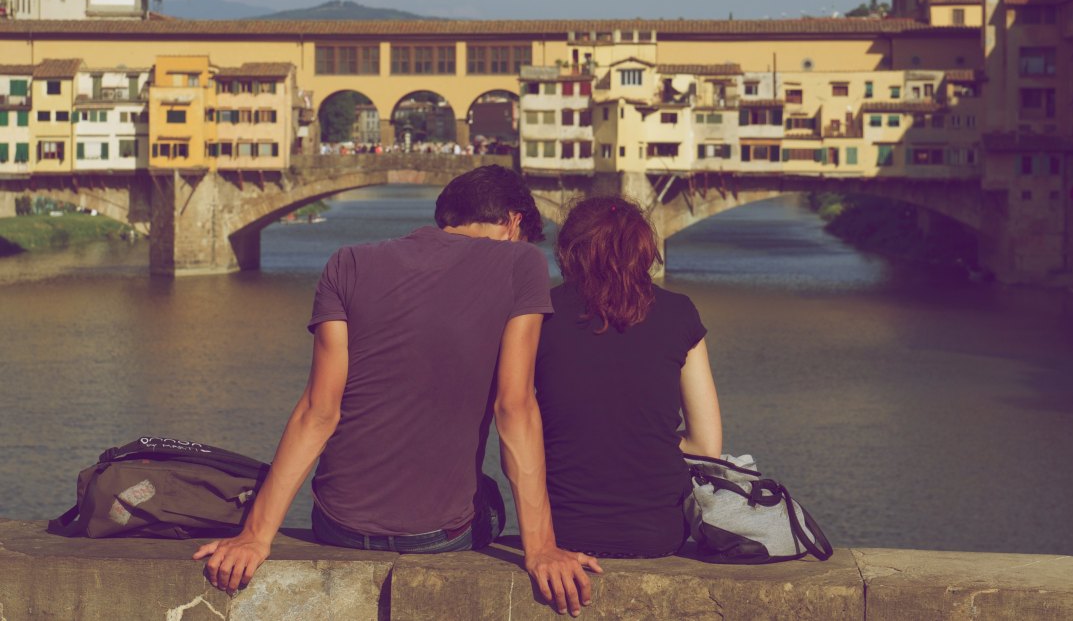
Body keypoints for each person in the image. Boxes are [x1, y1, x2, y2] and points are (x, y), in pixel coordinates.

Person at [195, 165, 601, 616]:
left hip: (336, 524)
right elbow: (514, 408)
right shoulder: (520, 263)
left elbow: (318, 411)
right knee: (485, 496)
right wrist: (542, 547)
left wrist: (255, 537)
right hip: (438, 537)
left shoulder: (346, 262)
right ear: (514, 223)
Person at [535, 196, 722, 558]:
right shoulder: (680, 313)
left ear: (568, 250)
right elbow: (705, 446)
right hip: (659, 533)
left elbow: (515, 419)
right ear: (643, 249)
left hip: (561, 530)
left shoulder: (539, 314)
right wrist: (642, 438)